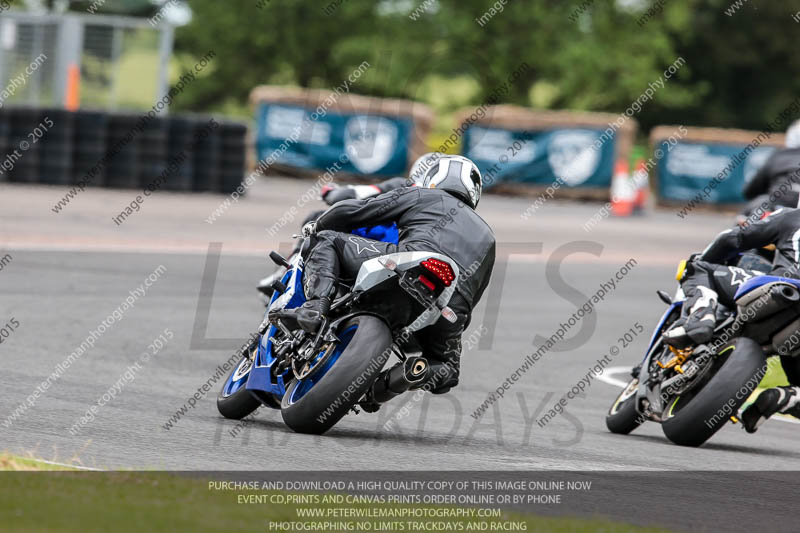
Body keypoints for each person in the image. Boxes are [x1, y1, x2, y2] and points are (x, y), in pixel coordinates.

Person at [273, 154, 495, 394]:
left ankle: (315, 306)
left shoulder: (422, 194)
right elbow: (473, 297)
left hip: (407, 264)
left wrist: (318, 225)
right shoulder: (489, 238)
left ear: (433, 177)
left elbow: (358, 211)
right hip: (449, 304)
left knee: (328, 240)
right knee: (447, 370)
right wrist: (452, 322)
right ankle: (394, 382)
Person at [662, 208, 800, 431]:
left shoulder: (792, 215)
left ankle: (701, 316)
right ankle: (789, 396)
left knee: (697, 268)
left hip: (783, 287)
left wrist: (707, 259)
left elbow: (733, 239)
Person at [258, 153, 443, 296]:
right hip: (411, 268)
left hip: (367, 250)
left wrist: (331, 191)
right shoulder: (446, 209)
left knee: (318, 217)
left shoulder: (403, 186)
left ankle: (288, 273)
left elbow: (348, 195)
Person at [740, 120, 800, 220]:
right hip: (786, 213)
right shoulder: (778, 156)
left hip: (774, 207)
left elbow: (750, 191)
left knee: (744, 219)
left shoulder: (778, 156)